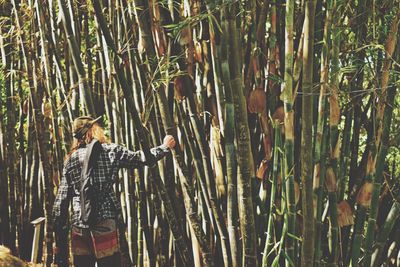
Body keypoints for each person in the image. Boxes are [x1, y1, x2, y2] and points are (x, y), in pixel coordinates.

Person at [52, 116, 175, 267]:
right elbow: (140, 158)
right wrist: (164, 147)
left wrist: (58, 236)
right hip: (105, 221)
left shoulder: (71, 161)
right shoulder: (110, 151)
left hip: (79, 225)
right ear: (92, 131)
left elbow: (60, 202)